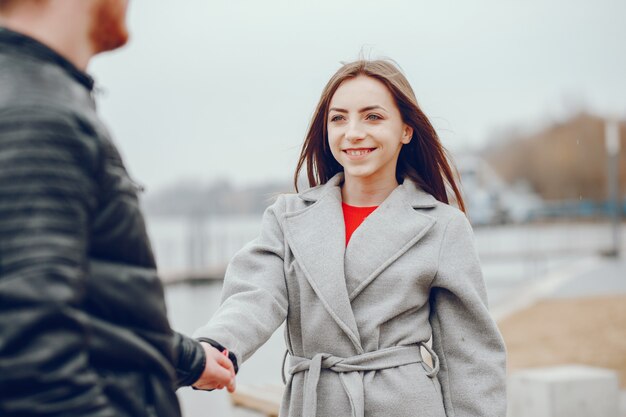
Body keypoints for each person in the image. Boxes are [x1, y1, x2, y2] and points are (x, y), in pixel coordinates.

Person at [194, 59, 507, 416]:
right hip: (314, 402)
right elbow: (254, 296)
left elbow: (471, 356)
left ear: (406, 129)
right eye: (339, 118)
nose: (353, 132)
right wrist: (215, 347)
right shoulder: (288, 218)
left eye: (372, 117)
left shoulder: (443, 226)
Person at [0, 1, 235, 416]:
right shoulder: (38, 115)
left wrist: (188, 358)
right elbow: (28, 361)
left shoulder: (32, 93)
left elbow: (87, 308)